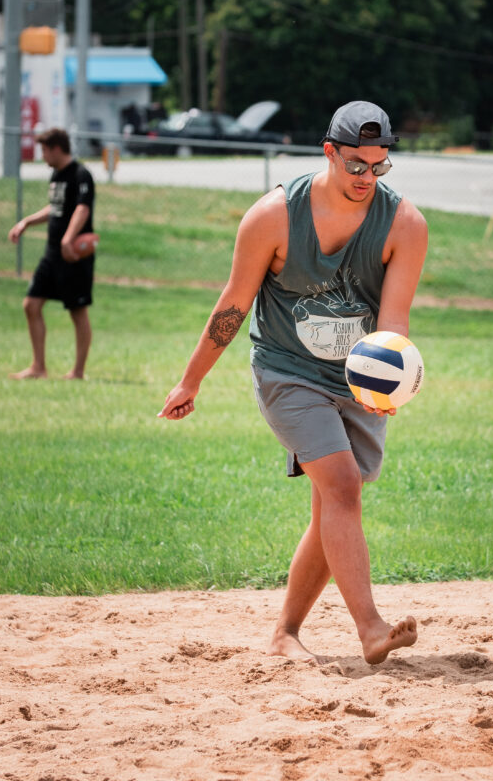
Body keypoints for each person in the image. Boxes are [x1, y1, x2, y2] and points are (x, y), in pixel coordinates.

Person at [159, 101, 428, 665]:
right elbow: (233, 304)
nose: (366, 179)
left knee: (333, 507)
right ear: (329, 152)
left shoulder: (404, 224)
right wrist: (191, 380)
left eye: (379, 167)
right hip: (287, 371)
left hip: (357, 381)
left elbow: (394, 320)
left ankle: (285, 633)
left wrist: (390, 379)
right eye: (356, 165)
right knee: (343, 487)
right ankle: (371, 629)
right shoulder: (273, 217)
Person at [7, 128, 96, 380]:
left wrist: (69, 238)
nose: (42, 155)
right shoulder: (56, 175)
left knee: (77, 310)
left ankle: (78, 371)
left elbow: (82, 209)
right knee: (31, 304)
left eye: (44, 150)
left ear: (57, 148)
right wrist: (26, 222)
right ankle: (38, 367)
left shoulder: (81, 175)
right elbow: (55, 207)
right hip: (52, 254)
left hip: (74, 255)